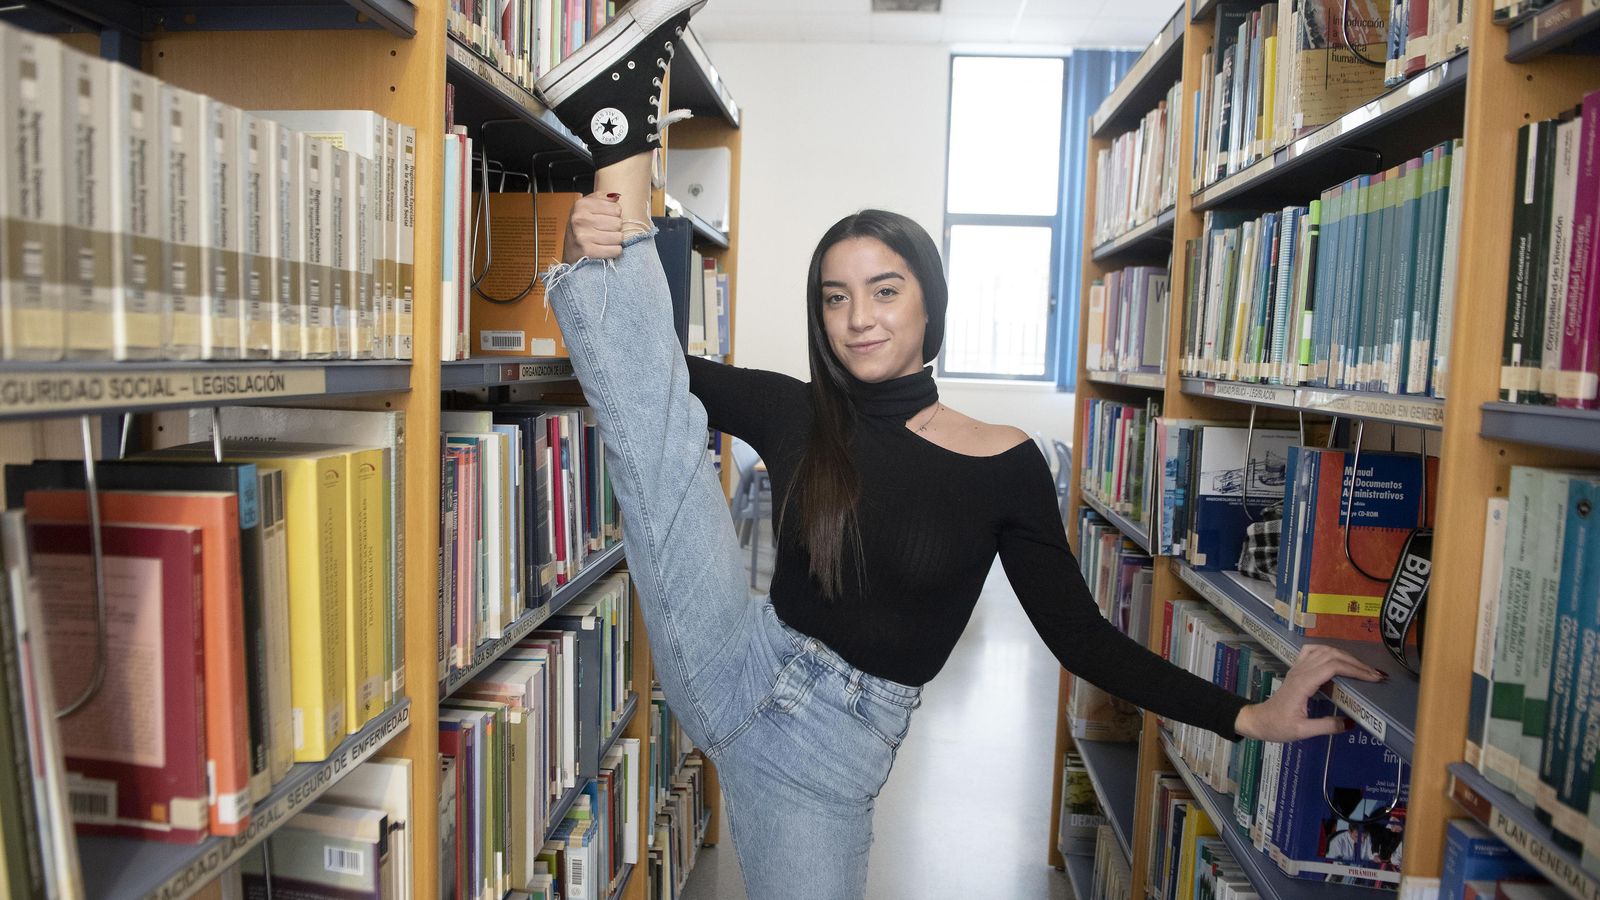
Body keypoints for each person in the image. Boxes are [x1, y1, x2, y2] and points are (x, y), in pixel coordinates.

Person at [533, 2, 1385, 896]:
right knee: (658, 431)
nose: (858, 317)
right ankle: (616, 129)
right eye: (833, 297)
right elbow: (645, 372)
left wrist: (1247, 713)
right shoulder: (799, 414)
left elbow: (1083, 638)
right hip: (736, 656)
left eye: (884, 290)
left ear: (929, 303)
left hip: (826, 754)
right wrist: (585, 242)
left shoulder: (1008, 464)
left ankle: (611, 125)